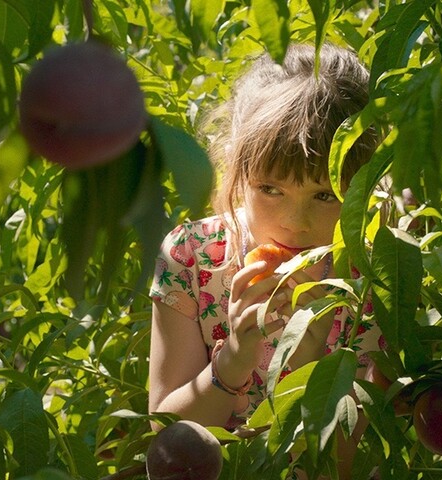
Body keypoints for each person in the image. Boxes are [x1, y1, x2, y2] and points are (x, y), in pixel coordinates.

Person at [148, 42, 385, 477]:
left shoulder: (371, 279)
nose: (295, 222)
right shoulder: (193, 259)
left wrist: (308, 364)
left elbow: (344, 464)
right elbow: (166, 442)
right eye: (271, 190)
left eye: (325, 195)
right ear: (238, 172)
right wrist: (234, 358)